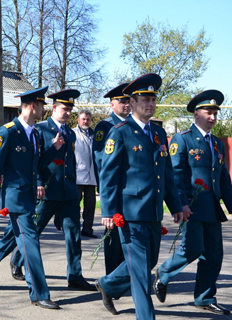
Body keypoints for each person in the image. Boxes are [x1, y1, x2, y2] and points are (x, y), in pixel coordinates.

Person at [95, 73, 184, 320]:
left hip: (153, 212)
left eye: (153, 99)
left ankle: (108, 284)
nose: (150, 103)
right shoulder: (119, 132)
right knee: (141, 275)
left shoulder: (157, 133)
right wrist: (109, 211)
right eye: (145, 99)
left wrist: (175, 205)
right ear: (132, 102)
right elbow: (108, 176)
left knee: (148, 262)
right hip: (130, 214)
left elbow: (166, 174)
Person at [0, 86, 60, 310]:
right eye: (42, 106)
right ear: (33, 106)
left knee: (11, 240)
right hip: (15, 199)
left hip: (29, 198)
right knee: (31, 244)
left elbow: (37, 166)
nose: (44, 110)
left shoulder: (35, 133)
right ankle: (39, 293)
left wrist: (53, 149)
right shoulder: (8, 132)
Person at [154, 90, 232, 316]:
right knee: (193, 248)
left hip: (212, 209)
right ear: (196, 113)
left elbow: (224, 179)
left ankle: (205, 298)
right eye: (209, 112)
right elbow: (175, 175)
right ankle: (164, 273)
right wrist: (181, 204)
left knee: (214, 255)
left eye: (216, 113)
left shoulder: (216, 143)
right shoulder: (183, 139)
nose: (213, 117)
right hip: (192, 207)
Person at [10, 89, 96, 291]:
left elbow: (71, 164)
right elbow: (35, 162)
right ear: (54, 108)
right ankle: (17, 258)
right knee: (34, 231)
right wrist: (39, 182)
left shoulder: (70, 133)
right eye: (64, 109)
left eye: (70, 110)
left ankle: (75, 275)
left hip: (68, 193)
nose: (67, 113)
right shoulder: (41, 130)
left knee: (74, 235)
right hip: (47, 191)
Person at [92, 83, 130, 275]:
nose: (126, 105)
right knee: (113, 233)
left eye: (128, 101)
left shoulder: (132, 125)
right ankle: (112, 275)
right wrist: (105, 188)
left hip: (130, 189)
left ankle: (124, 276)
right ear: (112, 104)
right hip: (113, 188)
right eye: (122, 102)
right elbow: (100, 160)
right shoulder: (105, 126)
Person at [72, 109, 97, 238]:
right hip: (78, 176)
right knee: (75, 204)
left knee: (90, 205)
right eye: (83, 119)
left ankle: (87, 229)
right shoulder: (73, 133)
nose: (85, 121)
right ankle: (74, 229)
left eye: (87, 119)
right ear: (78, 120)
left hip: (91, 177)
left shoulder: (95, 135)